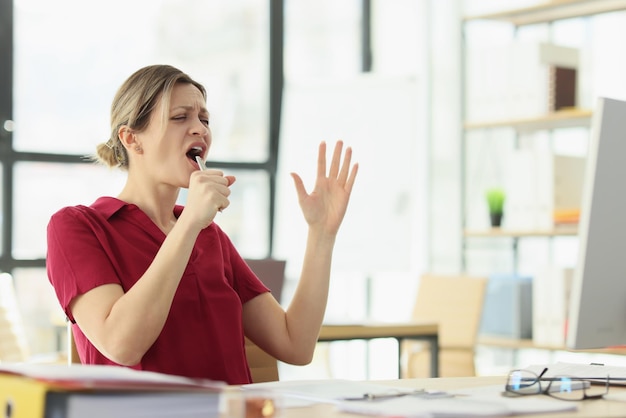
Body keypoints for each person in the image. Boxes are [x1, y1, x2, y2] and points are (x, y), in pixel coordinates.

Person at [46, 64, 358, 385]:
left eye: (204, 120)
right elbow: (122, 345)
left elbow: (295, 344)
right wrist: (191, 222)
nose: (200, 129)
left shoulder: (209, 235)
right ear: (132, 139)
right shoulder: (77, 227)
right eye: (180, 117)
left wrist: (321, 234)